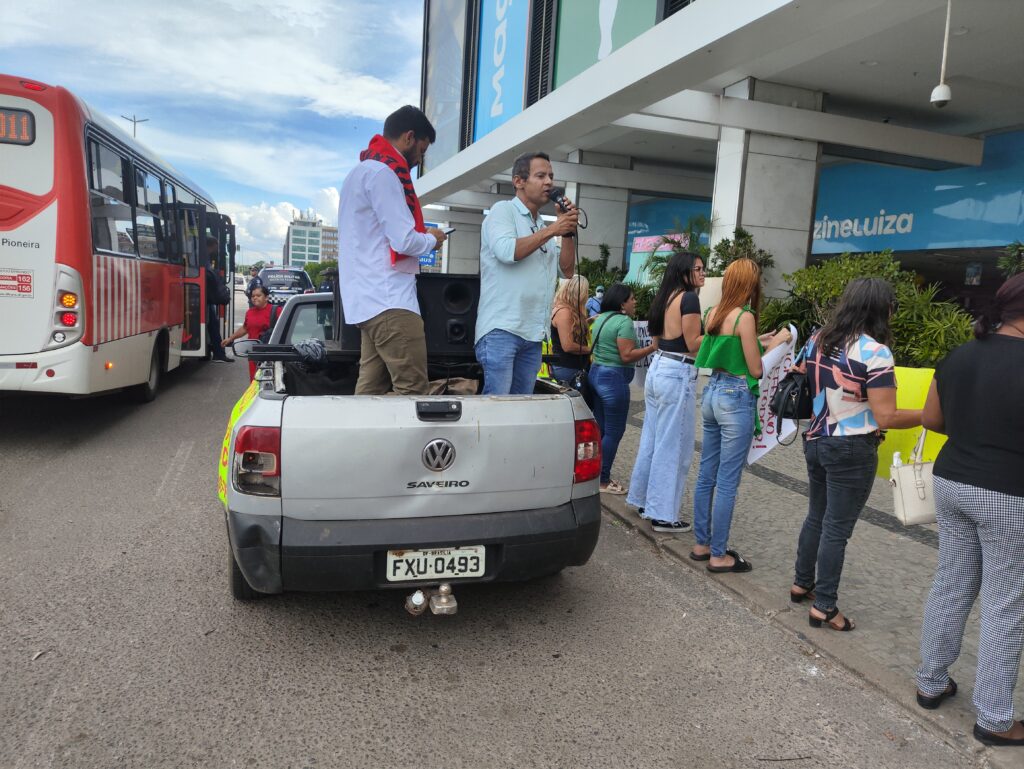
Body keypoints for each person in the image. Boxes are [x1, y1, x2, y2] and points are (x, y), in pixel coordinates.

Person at [915, 273, 1024, 746]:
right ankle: (995, 719)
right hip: (1009, 493)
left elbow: (931, 418)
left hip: (952, 481)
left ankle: (930, 682)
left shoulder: (960, 354)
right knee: (1006, 604)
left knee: (952, 583)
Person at [789, 278, 921, 628]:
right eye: (892, 306)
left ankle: (801, 582)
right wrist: (930, 415)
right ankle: (825, 606)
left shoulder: (818, 338)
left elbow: (801, 373)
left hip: (815, 439)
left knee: (816, 516)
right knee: (836, 528)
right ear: (882, 309)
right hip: (851, 448)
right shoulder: (875, 352)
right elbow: (886, 416)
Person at [337, 105, 447, 395]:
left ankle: (358, 430)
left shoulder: (357, 173)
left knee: (370, 391)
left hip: (367, 302)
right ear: (409, 137)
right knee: (413, 390)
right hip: (391, 300)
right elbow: (404, 241)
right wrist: (432, 239)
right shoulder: (385, 174)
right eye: (422, 150)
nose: (420, 159)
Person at [690, 259, 790, 572]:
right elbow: (756, 369)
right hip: (735, 398)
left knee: (707, 473)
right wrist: (776, 343)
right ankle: (719, 555)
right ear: (749, 284)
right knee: (727, 481)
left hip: (712, 394)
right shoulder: (745, 317)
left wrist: (760, 340)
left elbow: (728, 346)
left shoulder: (713, 313)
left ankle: (701, 544)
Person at [475, 151, 578, 395]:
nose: (549, 182)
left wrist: (566, 231)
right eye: (540, 176)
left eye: (551, 176)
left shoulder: (541, 225)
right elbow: (507, 251)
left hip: (533, 334)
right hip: (502, 330)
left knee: (522, 408)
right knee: (498, 407)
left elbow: (566, 271)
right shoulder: (503, 211)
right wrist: (553, 229)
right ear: (518, 181)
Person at [627, 251, 705, 533]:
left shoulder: (665, 297)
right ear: (684, 272)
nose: (703, 274)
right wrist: (723, 334)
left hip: (659, 367)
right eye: (698, 269)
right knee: (674, 445)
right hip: (677, 371)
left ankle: (643, 499)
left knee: (652, 438)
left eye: (703, 268)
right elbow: (693, 343)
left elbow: (657, 339)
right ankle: (663, 514)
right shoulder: (689, 298)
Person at [589, 283, 656, 495]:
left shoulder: (601, 318)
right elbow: (626, 355)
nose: (635, 302)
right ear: (622, 303)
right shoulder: (624, 321)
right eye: (632, 298)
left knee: (601, 430)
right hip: (613, 379)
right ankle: (602, 480)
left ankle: (590, 475)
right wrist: (652, 347)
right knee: (614, 431)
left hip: (596, 373)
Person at [223, 286, 278, 381]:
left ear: (266, 297)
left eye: (258, 295)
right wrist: (230, 338)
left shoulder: (276, 311)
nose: (255, 298)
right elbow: (245, 328)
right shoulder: (250, 312)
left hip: (270, 355)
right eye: (253, 296)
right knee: (254, 381)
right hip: (253, 355)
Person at [549, 275, 591, 387]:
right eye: (586, 291)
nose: (587, 295)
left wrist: (588, 321)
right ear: (578, 293)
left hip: (568, 367)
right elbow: (568, 346)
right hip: (568, 368)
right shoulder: (565, 312)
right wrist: (592, 349)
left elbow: (568, 328)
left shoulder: (563, 309)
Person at [204, 240, 232, 363]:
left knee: (212, 324)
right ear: (211, 246)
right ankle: (218, 353)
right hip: (204, 298)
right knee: (213, 325)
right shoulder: (204, 257)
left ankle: (211, 352)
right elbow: (208, 273)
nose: (217, 250)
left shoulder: (203, 256)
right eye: (216, 247)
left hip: (205, 298)